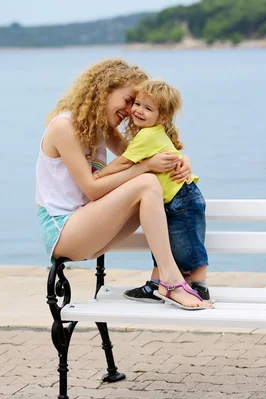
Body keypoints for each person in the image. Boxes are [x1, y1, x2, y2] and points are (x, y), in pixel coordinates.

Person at [35, 59, 212, 310]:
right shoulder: (65, 127)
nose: (131, 110)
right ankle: (170, 281)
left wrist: (182, 160)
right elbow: (93, 189)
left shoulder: (100, 129)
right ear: (105, 89)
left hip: (88, 225)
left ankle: (168, 276)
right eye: (129, 100)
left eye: (137, 104)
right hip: (62, 231)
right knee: (147, 182)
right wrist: (146, 167)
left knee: (157, 186)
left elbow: (149, 154)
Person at [94, 79, 210, 304]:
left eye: (148, 108)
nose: (138, 111)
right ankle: (156, 284)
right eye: (137, 104)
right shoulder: (149, 134)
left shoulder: (147, 136)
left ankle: (199, 285)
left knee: (188, 244)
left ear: (163, 117)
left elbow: (123, 163)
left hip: (182, 197)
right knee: (164, 241)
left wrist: (98, 176)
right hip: (174, 196)